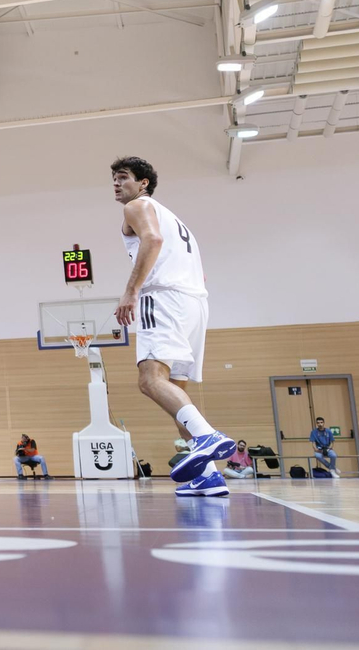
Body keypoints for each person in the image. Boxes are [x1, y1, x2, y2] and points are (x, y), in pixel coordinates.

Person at [110, 155, 235, 498]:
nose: (117, 184)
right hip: (195, 302)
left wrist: (131, 291)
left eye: (123, 177)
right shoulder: (176, 219)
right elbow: (199, 269)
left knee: (149, 380)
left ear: (143, 183)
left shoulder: (137, 207)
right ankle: (208, 475)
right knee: (174, 391)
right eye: (114, 179)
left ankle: (207, 436)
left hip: (163, 299)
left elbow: (152, 241)